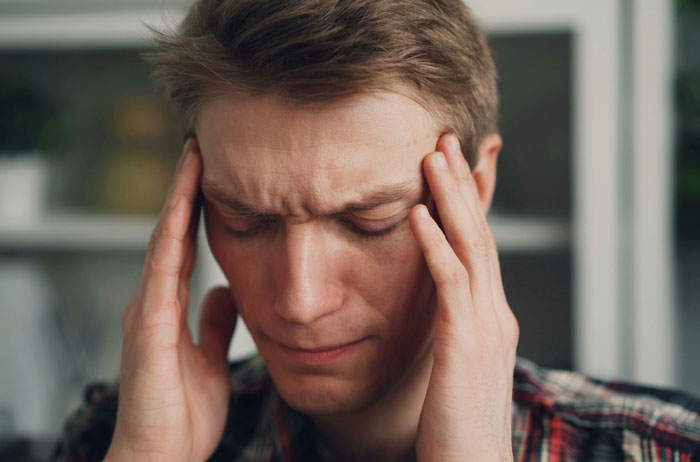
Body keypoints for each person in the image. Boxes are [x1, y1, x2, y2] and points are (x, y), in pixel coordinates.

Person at [52, 0, 700, 461]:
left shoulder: (662, 450)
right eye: (245, 219)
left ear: (473, 192)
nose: (300, 302)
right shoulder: (111, 438)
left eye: (370, 221)